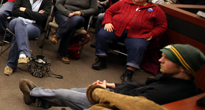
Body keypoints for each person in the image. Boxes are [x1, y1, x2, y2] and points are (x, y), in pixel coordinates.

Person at [19, 43, 205, 110]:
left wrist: (104, 91)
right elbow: (139, 88)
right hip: (119, 95)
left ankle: (35, 92)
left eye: (166, 58)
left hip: (112, 105)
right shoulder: (171, 79)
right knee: (72, 91)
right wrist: (112, 85)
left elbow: (130, 102)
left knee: (63, 94)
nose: (160, 60)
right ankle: (41, 101)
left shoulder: (166, 93)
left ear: (183, 67)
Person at [93, 0, 168, 82]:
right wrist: (108, 22)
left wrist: (153, 34)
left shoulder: (155, 9)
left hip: (138, 34)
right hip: (116, 29)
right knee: (102, 35)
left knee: (139, 46)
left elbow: (162, 26)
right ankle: (101, 59)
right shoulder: (124, 3)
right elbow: (109, 12)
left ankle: (129, 71)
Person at [3, 0, 52, 75]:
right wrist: (35, 14)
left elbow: (43, 18)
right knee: (19, 23)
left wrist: (25, 10)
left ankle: (11, 65)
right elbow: (15, 11)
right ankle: (25, 53)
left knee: (19, 34)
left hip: (34, 26)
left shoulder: (47, 1)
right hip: (16, 21)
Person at [50, 0, 98, 64]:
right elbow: (59, 4)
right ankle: (62, 53)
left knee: (75, 19)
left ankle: (57, 35)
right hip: (63, 14)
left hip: (79, 17)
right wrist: (67, 13)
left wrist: (81, 12)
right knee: (71, 28)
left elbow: (94, 9)